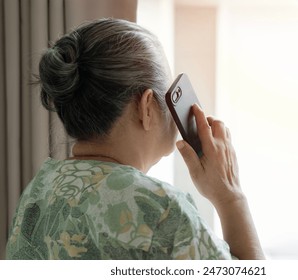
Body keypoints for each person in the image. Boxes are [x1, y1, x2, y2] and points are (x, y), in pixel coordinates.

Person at [6, 18, 264, 260]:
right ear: (147, 107)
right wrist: (231, 197)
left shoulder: (40, 190)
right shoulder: (160, 209)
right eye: (170, 95)